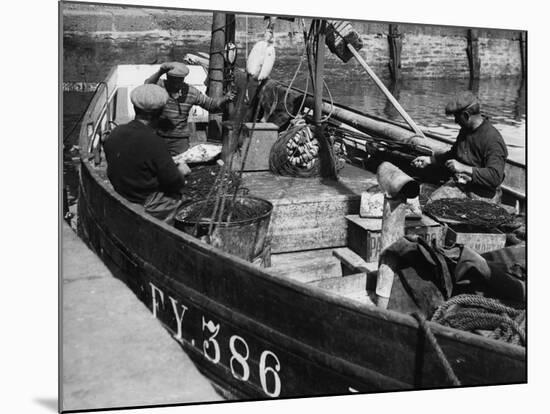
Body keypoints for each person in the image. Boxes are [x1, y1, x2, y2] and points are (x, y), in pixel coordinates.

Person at [104, 84, 191, 221]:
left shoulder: (115, 132)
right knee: (189, 201)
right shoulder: (154, 141)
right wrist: (181, 171)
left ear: (135, 107)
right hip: (146, 204)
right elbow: (174, 182)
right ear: (161, 112)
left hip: (122, 194)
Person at [411, 91, 508, 203]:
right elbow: (454, 154)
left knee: (436, 204)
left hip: (484, 195)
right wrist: (430, 160)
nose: (456, 121)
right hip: (463, 185)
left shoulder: (492, 139)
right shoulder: (465, 131)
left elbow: (495, 176)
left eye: (457, 117)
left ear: (466, 115)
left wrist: (463, 167)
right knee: (428, 198)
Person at [145, 61, 235, 156]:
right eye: (173, 80)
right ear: (167, 77)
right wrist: (160, 72)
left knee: (181, 164)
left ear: (183, 79)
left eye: (179, 80)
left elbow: (211, 105)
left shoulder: (191, 92)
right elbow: (147, 85)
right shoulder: (160, 85)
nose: (176, 84)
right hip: (159, 136)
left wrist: (225, 99)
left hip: (180, 140)